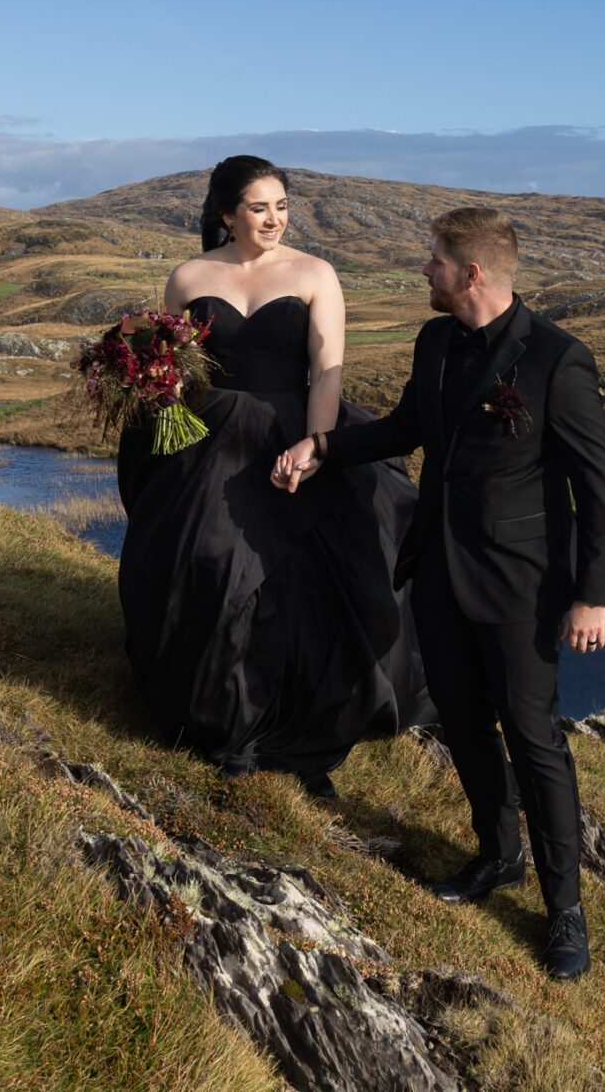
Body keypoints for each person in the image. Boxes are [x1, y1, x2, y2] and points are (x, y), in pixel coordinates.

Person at [275, 207, 605, 981]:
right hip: (437, 573)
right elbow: (404, 429)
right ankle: (498, 855)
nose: (422, 271)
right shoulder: (434, 342)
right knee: (463, 722)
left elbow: (600, 490)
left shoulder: (558, 362)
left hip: (523, 589)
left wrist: (592, 597)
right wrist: (322, 446)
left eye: (433, 260)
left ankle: (564, 909)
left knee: (535, 743)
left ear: (471, 273)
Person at [113, 155, 422, 797]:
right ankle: (223, 720)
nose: (274, 219)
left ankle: (308, 737)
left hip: (295, 432)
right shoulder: (189, 276)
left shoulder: (316, 274)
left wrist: (316, 445)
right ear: (226, 213)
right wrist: (148, 375)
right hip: (210, 443)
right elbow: (175, 364)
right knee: (211, 568)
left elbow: (328, 368)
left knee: (308, 583)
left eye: (282, 206)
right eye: (259, 208)